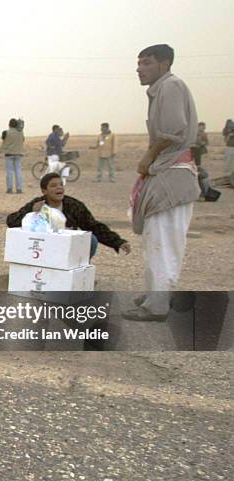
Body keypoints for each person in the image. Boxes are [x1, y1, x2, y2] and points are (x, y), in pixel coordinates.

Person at [125, 44, 200, 322]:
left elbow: (171, 131)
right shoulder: (162, 89)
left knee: (163, 243)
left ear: (164, 63)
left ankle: (157, 306)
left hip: (172, 174)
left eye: (146, 63)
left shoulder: (170, 86)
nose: (139, 68)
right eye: (139, 63)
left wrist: (148, 156)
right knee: (155, 239)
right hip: (166, 172)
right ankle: (155, 296)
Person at [6, 173, 131, 259]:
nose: (59, 187)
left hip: (68, 248)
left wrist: (118, 242)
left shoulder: (73, 206)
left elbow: (94, 226)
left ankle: (79, 270)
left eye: (61, 184)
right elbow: (11, 221)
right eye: (54, 185)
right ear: (44, 191)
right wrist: (32, 212)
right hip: (44, 249)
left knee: (91, 239)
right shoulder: (38, 204)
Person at [0, 118, 25, 194]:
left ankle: (10, 189)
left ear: (9, 124)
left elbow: (3, 139)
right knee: (18, 171)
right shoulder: (21, 133)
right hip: (18, 154)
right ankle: (19, 189)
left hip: (9, 154)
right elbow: (22, 140)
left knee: (9, 171)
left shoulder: (5, 132)